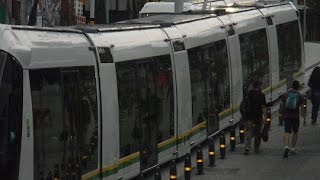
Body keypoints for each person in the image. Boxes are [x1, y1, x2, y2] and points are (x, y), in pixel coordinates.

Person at [282, 80, 305, 158]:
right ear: (298, 87)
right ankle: (292, 148)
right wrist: (304, 118)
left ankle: (286, 147)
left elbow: (282, 105)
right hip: (295, 117)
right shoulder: (300, 96)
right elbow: (302, 108)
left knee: (287, 132)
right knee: (295, 132)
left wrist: (282, 114)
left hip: (287, 116)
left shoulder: (286, 94)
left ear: (292, 85)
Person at [243, 80, 267, 155]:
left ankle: (247, 147)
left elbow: (244, 105)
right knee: (257, 132)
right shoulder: (261, 95)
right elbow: (263, 107)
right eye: (261, 85)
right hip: (258, 117)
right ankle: (256, 148)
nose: (262, 87)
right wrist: (265, 117)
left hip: (248, 116)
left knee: (248, 132)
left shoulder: (248, 94)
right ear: (259, 86)